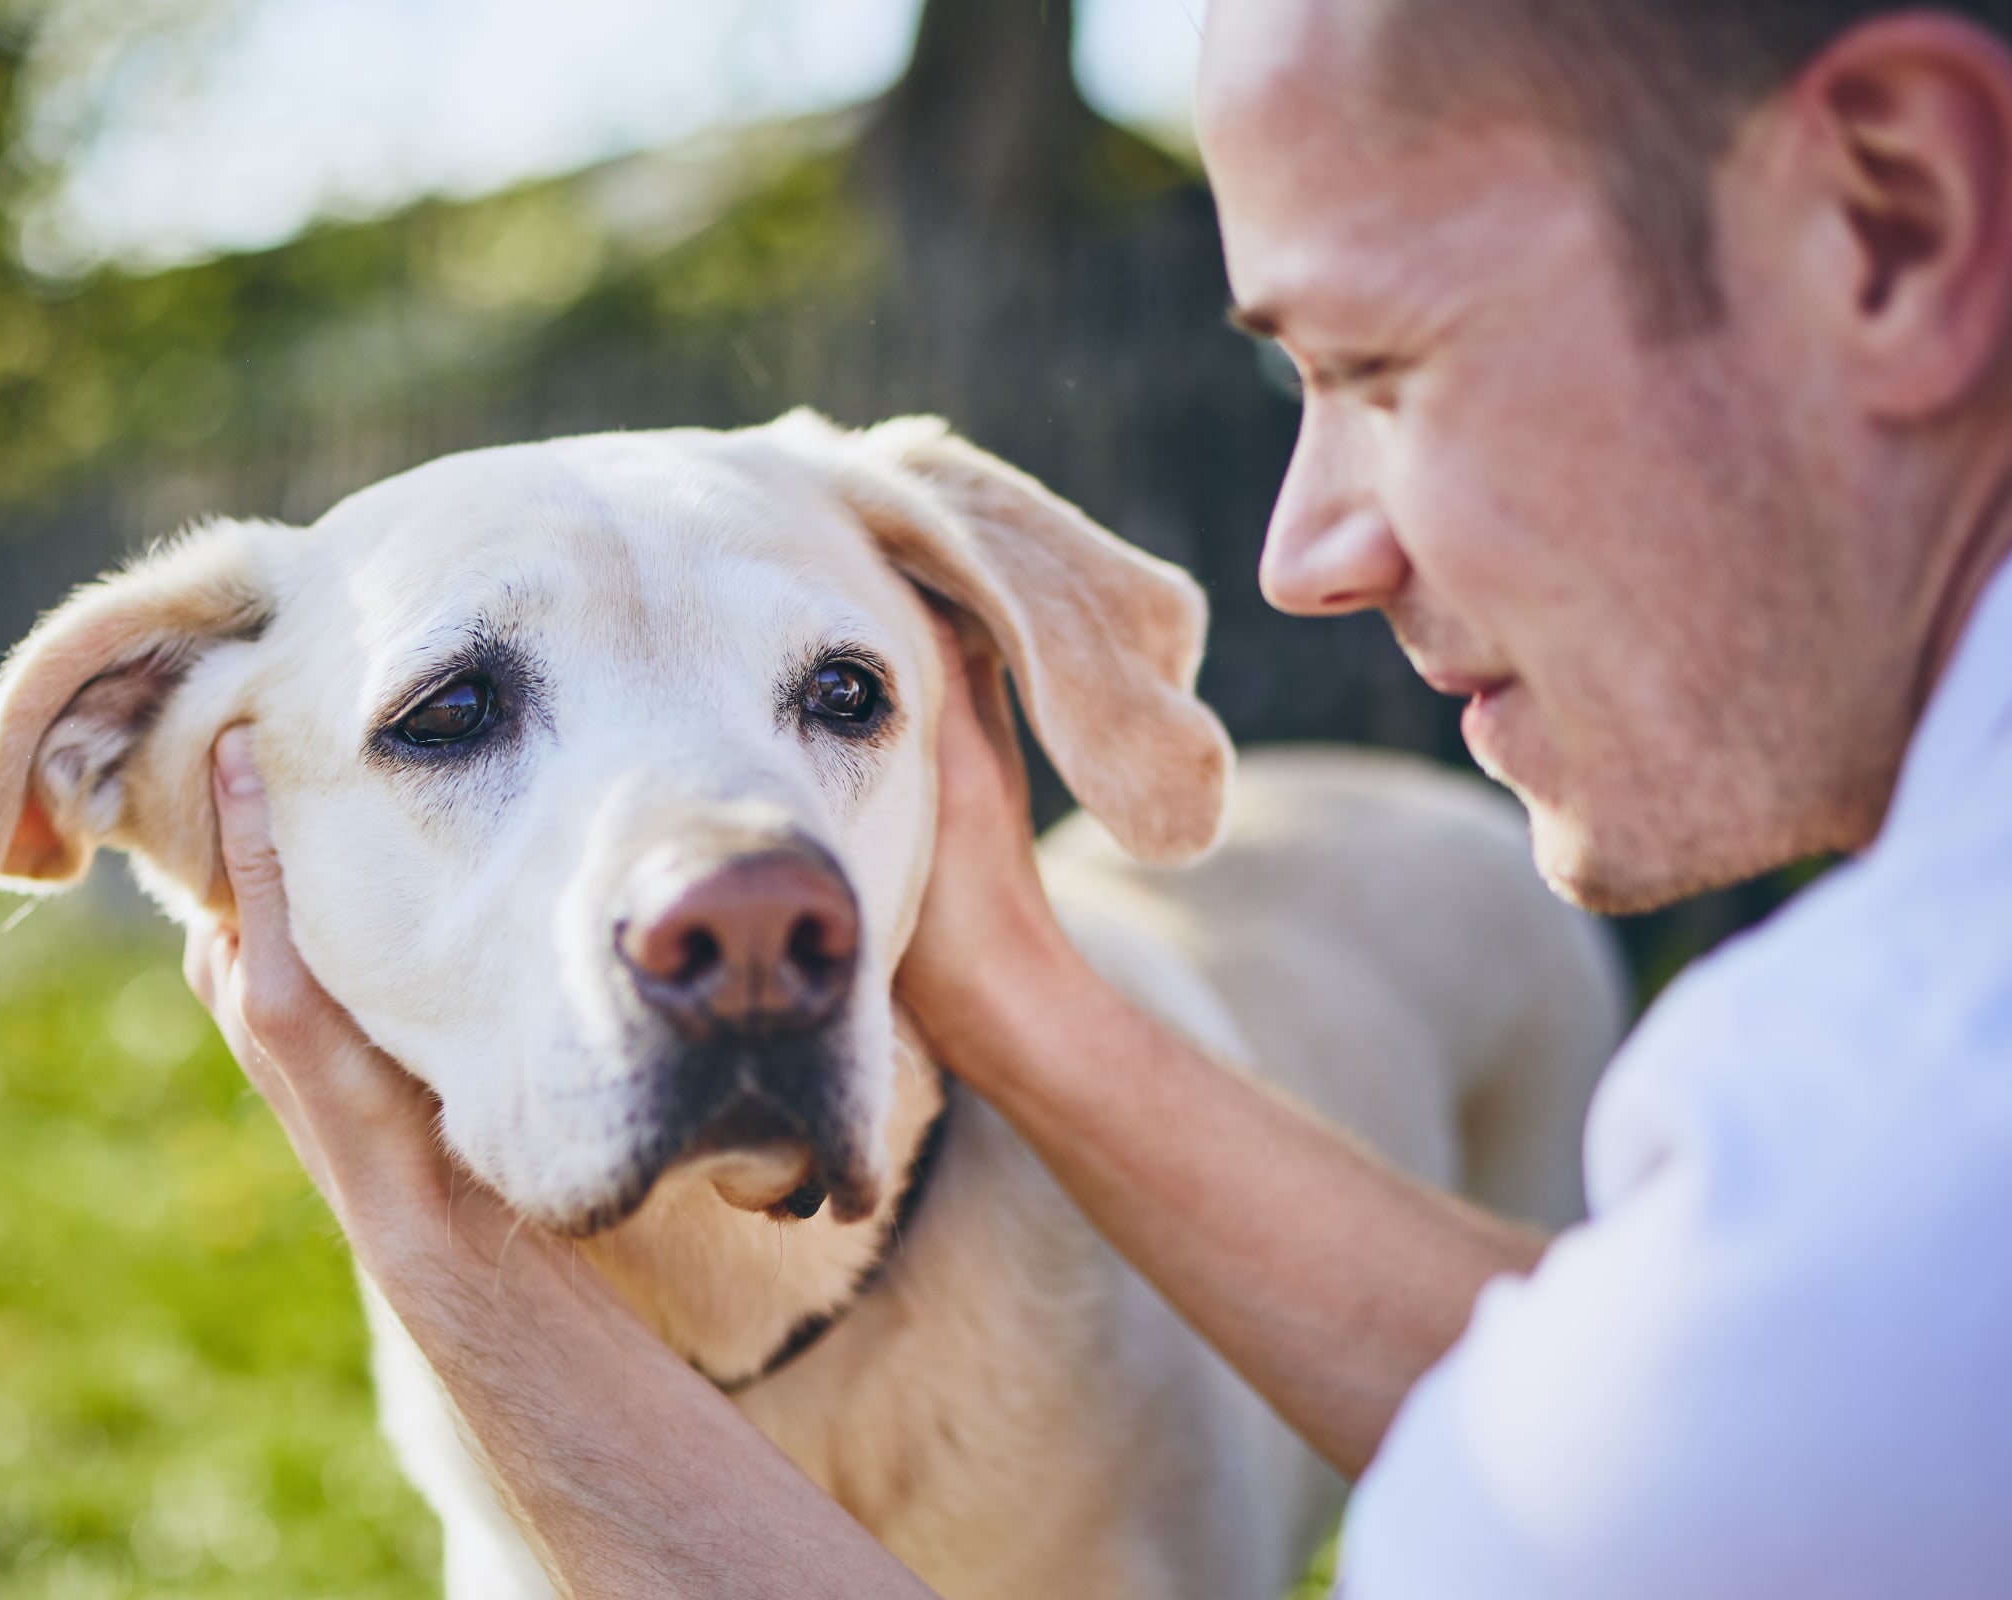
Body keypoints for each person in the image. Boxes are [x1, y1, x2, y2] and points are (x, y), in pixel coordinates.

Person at [183, 0, 2012, 1593]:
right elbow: (1608, 1432)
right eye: (452, 717)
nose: (1299, 555)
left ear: (1894, 224)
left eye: (1381, 367)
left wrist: (437, 1248)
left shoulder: (1911, 1153)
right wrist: (1020, 999)